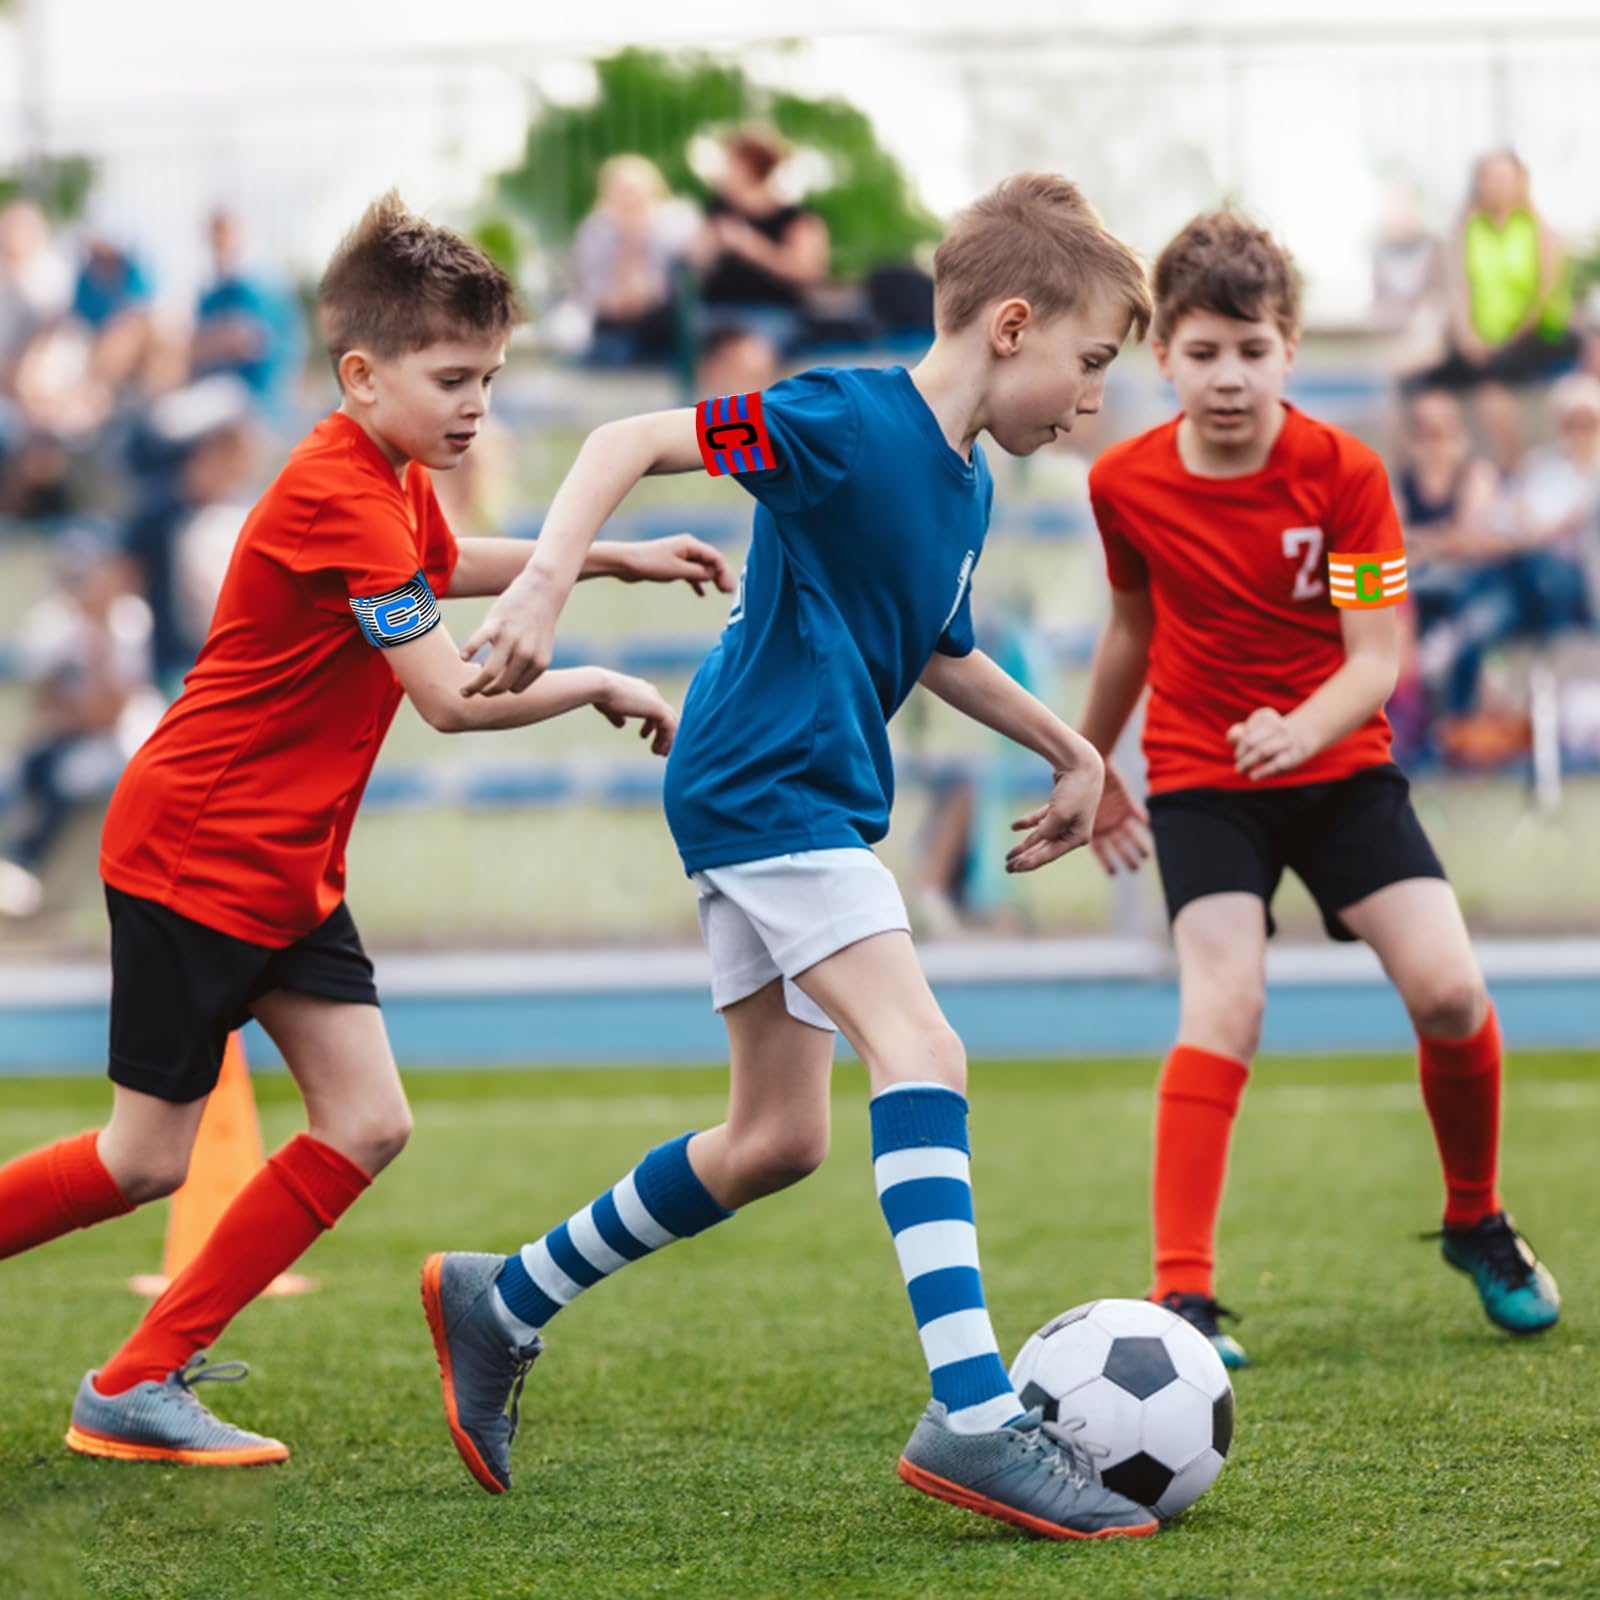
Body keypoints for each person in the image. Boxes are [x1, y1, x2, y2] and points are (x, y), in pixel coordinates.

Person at [421, 173, 1162, 1541]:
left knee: (775, 1138)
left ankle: (502, 1296)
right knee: (923, 1050)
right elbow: (627, 437)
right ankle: (975, 1412)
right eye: (1092, 360)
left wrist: (1075, 749)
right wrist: (543, 580)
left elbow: (936, 650)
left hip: (777, 791)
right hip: (772, 785)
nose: (1092, 397)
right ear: (1012, 326)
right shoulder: (846, 417)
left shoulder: (964, 489)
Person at [0, 192, 733, 1468]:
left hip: (281, 865)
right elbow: (448, 696)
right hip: (197, 855)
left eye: (489, 379)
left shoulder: (388, 477)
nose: (476, 406)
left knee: (365, 1121)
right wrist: (599, 681)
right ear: (360, 374)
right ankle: (135, 1381)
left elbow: (437, 569)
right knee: (143, 1161)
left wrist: (605, 558)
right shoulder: (339, 489)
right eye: (452, 379)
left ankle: (137, 1379)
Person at [1077, 212, 1562, 1371]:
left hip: (1338, 769)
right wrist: (1087, 764)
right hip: (1202, 777)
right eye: (1203, 352)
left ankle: (1475, 1220)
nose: (1228, 377)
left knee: (1449, 990)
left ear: (1288, 349)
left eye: (1252, 350)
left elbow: (1376, 658)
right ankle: (1182, 1294)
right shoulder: (1121, 483)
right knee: (1223, 1006)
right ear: (1162, 356)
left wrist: (1300, 729)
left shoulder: (1344, 472)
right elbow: (1130, 628)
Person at [0, 534, 162, 920]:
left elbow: (110, 711)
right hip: (72, 734)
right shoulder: (55, 618)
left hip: (126, 738)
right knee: (18, 776)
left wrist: (99, 631)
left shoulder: (129, 617)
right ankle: (20, 868)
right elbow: (45, 701)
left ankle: (28, 865)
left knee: (72, 778)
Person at [1407, 151, 1577, 394]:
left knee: (1496, 377)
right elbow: (1458, 292)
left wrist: (1506, 343)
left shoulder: (1540, 231)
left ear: (1519, 182)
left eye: (1503, 178)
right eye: (1488, 178)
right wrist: (1469, 338)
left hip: (1529, 339)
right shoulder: (1463, 232)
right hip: (1478, 344)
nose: (1495, 186)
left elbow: (1543, 298)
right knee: (1418, 383)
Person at [692, 127, 829, 356]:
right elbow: (694, 267)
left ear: (748, 167)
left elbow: (809, 273)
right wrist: (707, 247)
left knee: (746, 353)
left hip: (772, 314)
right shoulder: (716, 212)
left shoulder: (796, 218)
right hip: (716, 312)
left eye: (728, 164)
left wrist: (752, 247)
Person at [571, 155, 692, 369]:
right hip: (614, 327)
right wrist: (628, 247)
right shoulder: (596, 231)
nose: (628, 201)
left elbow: (666, 290)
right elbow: (598, 297)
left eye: (633, 192)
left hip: (662, 326)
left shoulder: (673, 226)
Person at [190, 208, 305, 424]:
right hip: (216, 388)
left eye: (226, 235)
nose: (221, 244)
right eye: (216, 237)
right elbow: (194, 349)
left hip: (257, 397)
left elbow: (247, 343)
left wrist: (210, 342)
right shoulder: (211, 295)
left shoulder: (263, 286)